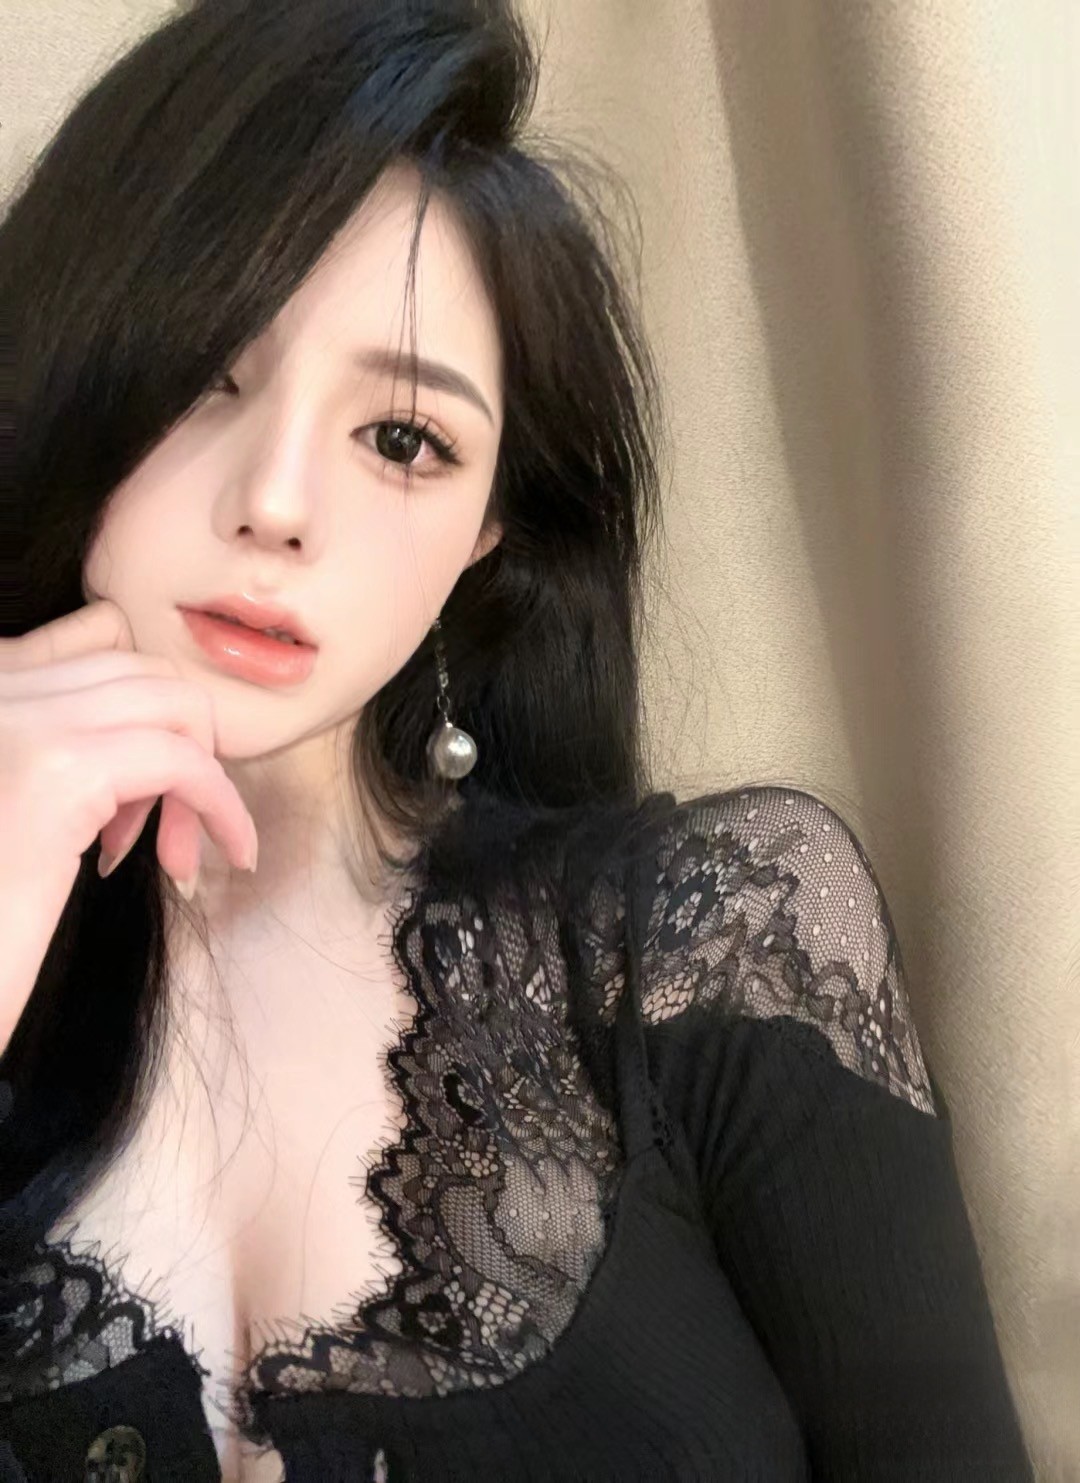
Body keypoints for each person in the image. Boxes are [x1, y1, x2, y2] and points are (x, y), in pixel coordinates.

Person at [0, 1, 1036, 1479]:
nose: (275, 503)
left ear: (488, 531)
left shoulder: (713, 941)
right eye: (198, 376)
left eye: (402, 440)